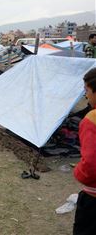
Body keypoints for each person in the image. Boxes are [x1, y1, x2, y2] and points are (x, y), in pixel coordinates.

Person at [73, 68, 96, 235]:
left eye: (87, 90)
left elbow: (90, 164)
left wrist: (78, 172)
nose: (86, 95)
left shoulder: (91, 120)